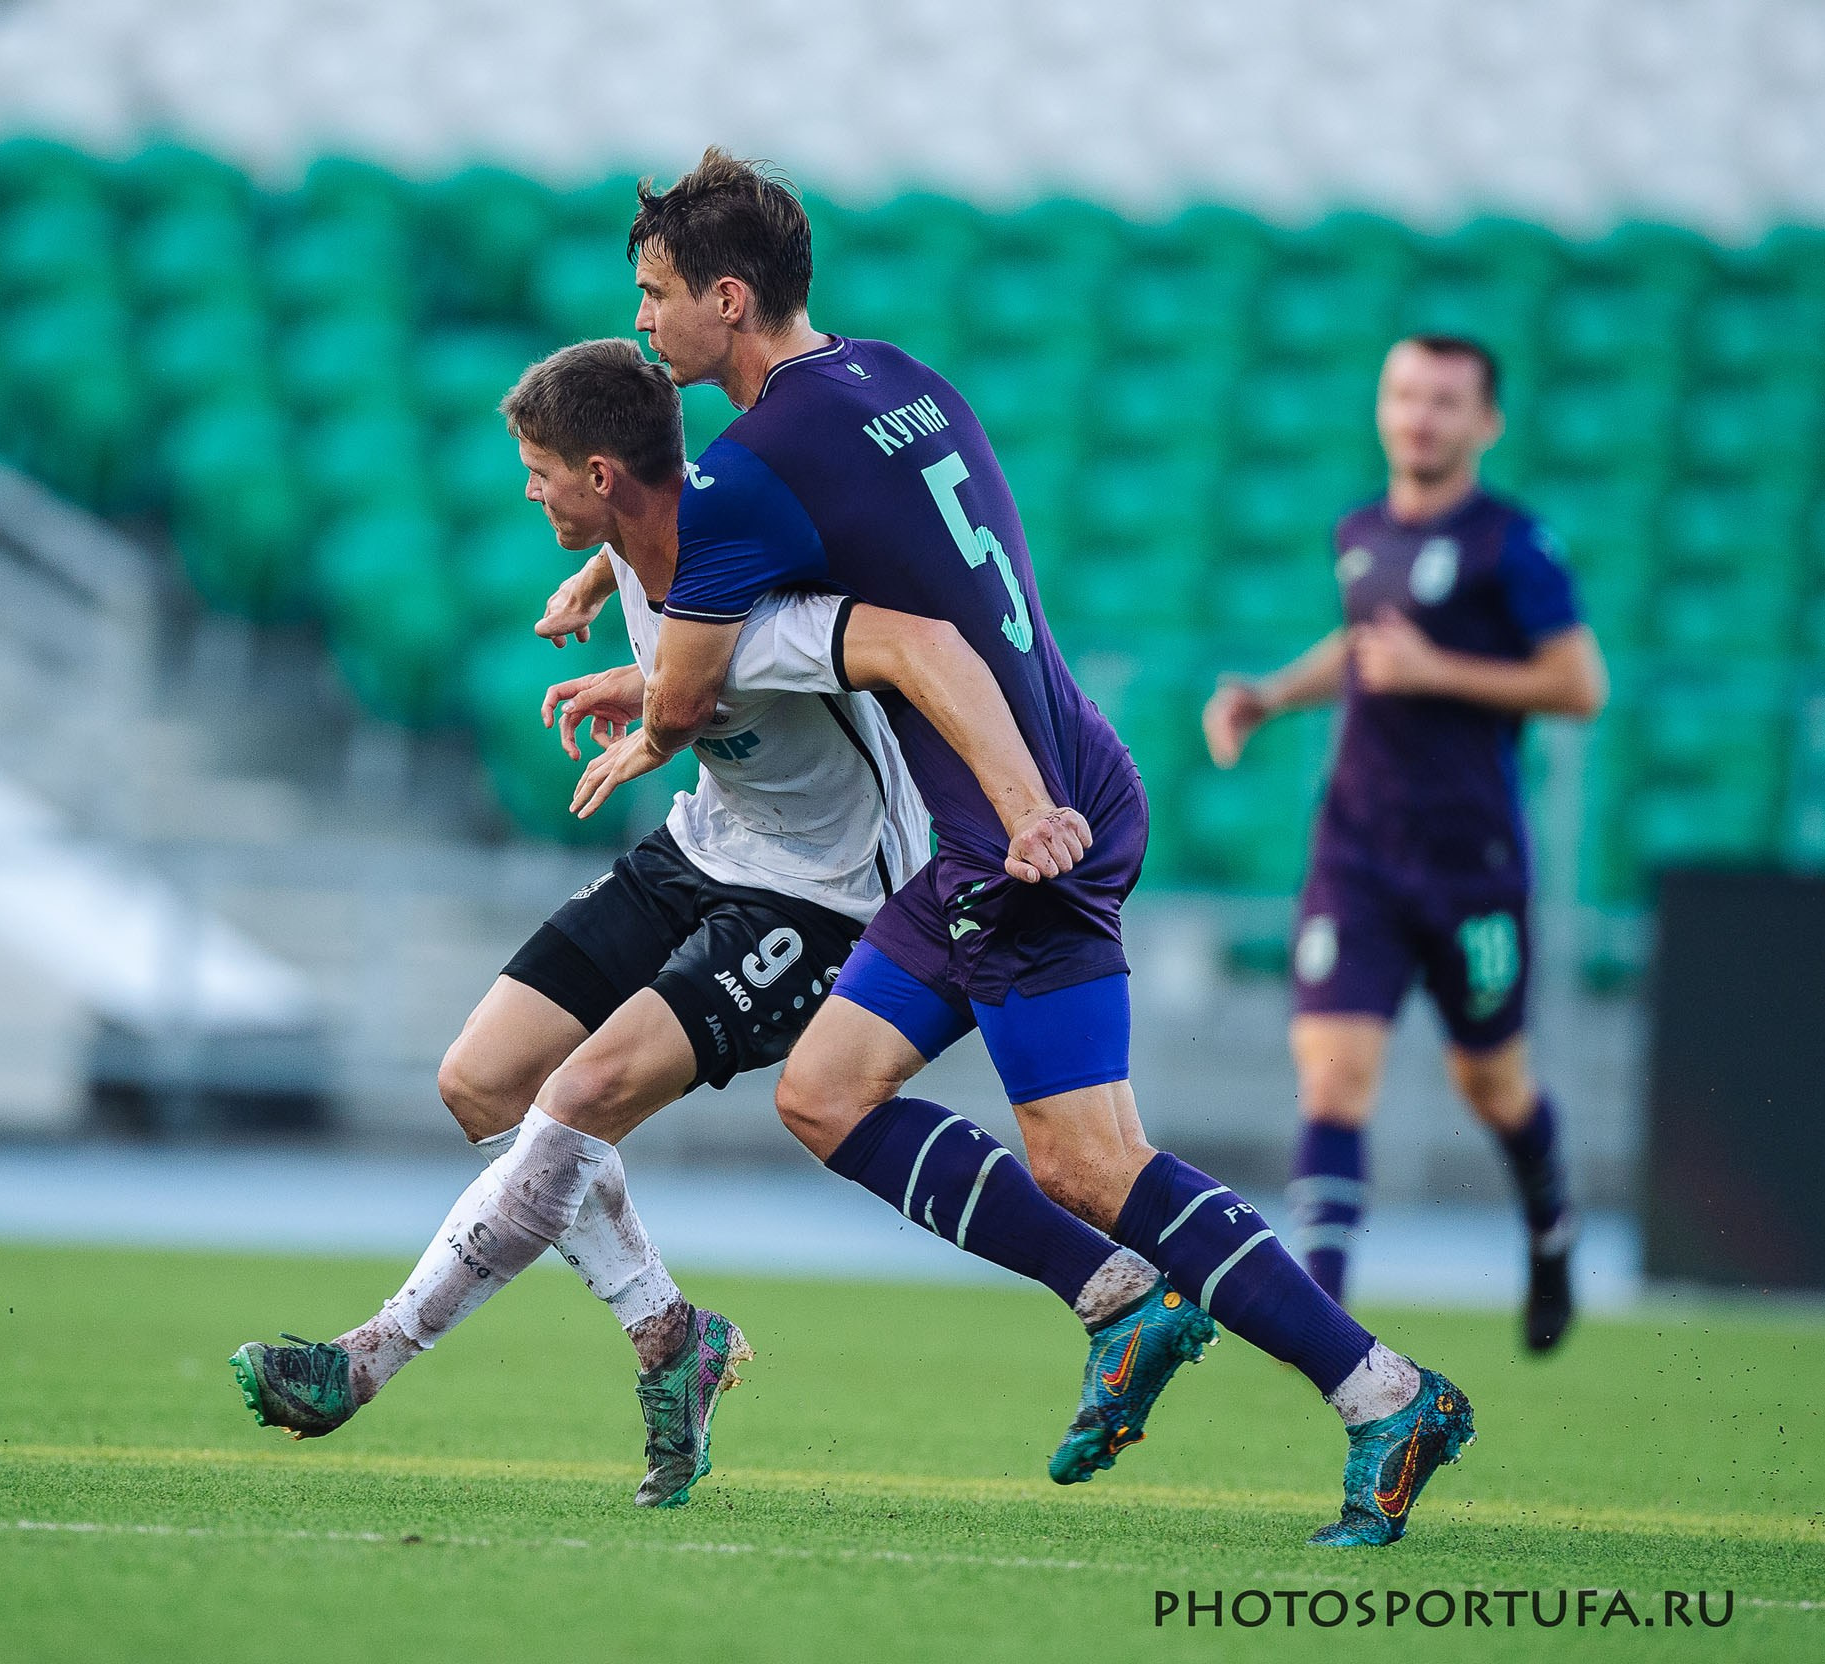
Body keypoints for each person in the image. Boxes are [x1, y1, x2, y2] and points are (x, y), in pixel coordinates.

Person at [580, 148, 1472, 1547]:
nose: (642, 321)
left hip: (1020, 838)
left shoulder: (752, 469)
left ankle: (1384, 1391)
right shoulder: (896, 378)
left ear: (729, 298)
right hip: (1035, 791)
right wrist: (619, 560)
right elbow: (788, 540)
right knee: (825, 1093)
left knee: (1091, 1162)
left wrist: (644, 700)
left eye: (655, 293)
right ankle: (1121, 1305)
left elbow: (687, 696)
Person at [232, 338, 1140, 1507]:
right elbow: (653, 595)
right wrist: (599, 602)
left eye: (539, 472)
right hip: (699, 848)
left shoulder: (760, 594)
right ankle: (672, 1332)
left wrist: (662, 718)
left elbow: (903, 646)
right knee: (481, 1081)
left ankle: (365, 1360)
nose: (526, 492)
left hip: (818, 896)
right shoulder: (633, 540)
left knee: (581, 1094)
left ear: (601, 474)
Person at [1202, 334, 1608, 1353]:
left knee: (1491, 1086)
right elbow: (1363, 646)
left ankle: (1550, 1227)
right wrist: (1269, 695)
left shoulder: (1514, 545)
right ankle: (1324, 1327)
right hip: (1358, 853)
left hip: (1471, 866)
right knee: (1332, 1077)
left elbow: (1579, 685)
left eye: (1444, 401)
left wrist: (1440, 672)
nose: (1419, 417)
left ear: (1486, 422)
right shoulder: (1360, 530)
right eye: (1404, 395)